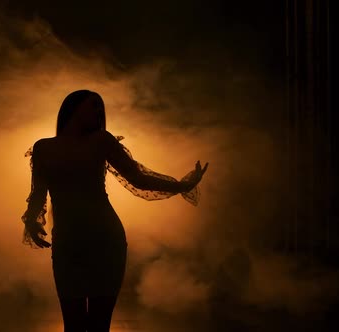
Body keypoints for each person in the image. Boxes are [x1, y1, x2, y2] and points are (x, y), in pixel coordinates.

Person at [21, 90, 209, 332]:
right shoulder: (43, 148)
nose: (99, 113)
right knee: (73, 323)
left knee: (99, 324)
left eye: (101, 109)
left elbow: (138, 179)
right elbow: (38, 191)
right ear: (74, 109)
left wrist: (182, 185)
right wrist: (33, 222)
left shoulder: (102, 141)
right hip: (68, 242)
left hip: (105, 239)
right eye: (94, 107)